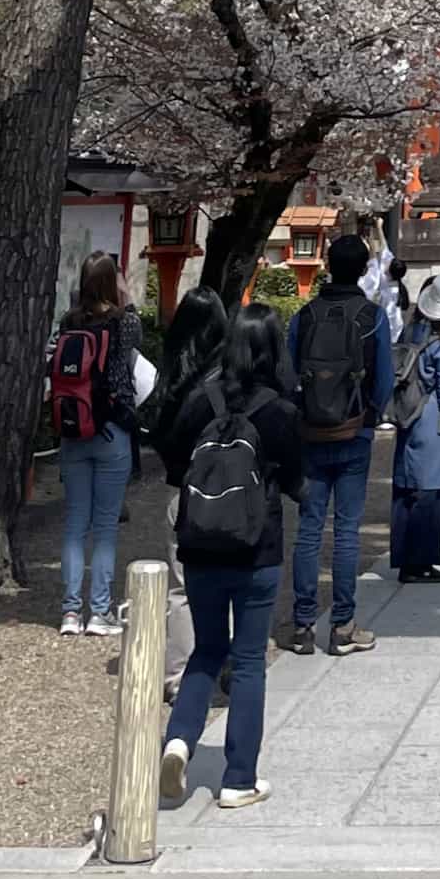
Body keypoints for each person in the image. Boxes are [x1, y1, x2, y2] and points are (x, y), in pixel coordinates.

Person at [158, 306, 310, 812]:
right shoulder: (279, 410)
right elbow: (295, 478)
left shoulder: (202, 400)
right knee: (248, 660)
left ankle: (178, 739)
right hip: (256, 545)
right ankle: (238, 777)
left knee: (206, 649)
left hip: (200, 543)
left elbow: (174, 462)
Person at [283, 230, 393, 656]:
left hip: (311, 432)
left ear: (328, 264)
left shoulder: (304, 317)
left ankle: (303, 624)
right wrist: (371, 416)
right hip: (354, 430)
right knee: (347, 529)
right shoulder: (373, 317)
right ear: (365, 269)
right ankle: (343, 625)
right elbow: (383, 381)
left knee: (309, 529)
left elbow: (289, 375)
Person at [51, 249, 143, 635]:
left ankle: (70, 612)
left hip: (73, 431)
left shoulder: (68, 322)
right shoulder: (124, 323)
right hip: (111, 432)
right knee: (104, 527)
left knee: (74, 524)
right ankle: (99, 612)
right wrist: (126, 296)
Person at [153, 282, 230, 689]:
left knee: (181, 588)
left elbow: (159, 436)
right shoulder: (229, 381)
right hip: (227, 490)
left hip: (182, 490)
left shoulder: (173, 381)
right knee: (226, 581)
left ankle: (179, 674)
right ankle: (223, 661)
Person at [389, 267, 440, 581]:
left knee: (406, 487)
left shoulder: (412, 331)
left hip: (408, 412)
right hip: (432, 417)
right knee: (431, 492)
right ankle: (420, 562)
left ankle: (404, 557)